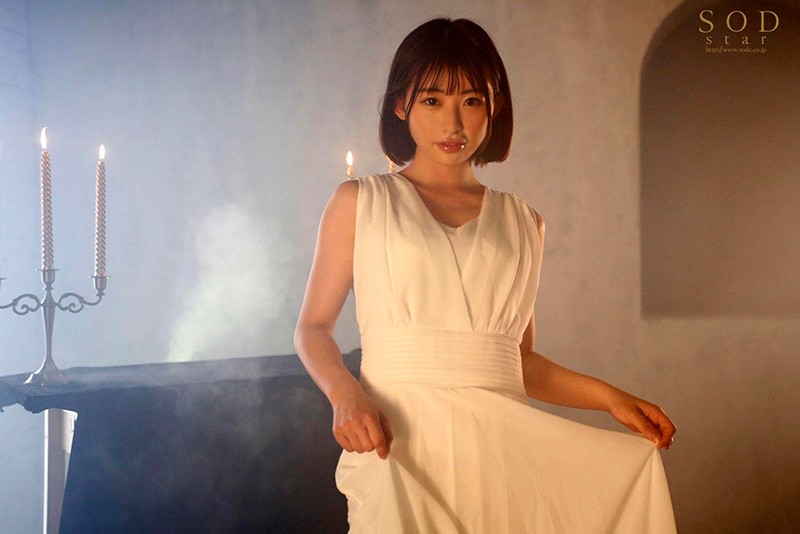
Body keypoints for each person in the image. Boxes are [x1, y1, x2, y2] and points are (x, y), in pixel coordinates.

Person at [294, 17, 677, 533]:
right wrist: (346, 396)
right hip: (398, 446)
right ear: (401, 104)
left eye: (471, 100)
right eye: (432, 100)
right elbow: (313, 327)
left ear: (494, 107)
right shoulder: (360, 201)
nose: (453, 123)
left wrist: (611, 399)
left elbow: (519, 362)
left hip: (501, 455)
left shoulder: (524, 222)